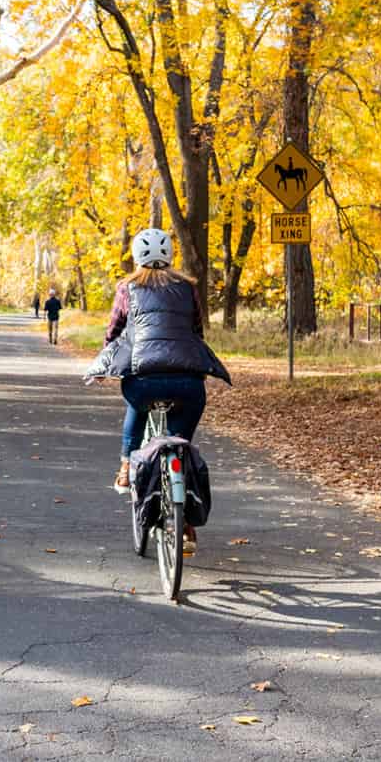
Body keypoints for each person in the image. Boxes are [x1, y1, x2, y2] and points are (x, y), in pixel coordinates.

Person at [85, 229, 230, 548]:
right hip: (188, 382)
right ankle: (186, 526)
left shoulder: (127, 287)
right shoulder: (188, 287)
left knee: (137, 404)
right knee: (181, 442)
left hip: (144, 379)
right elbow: (196, 330)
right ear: (170, 257)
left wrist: (106, 358)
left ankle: (126, 466)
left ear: (136, 257)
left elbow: (113, 331)